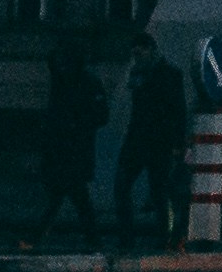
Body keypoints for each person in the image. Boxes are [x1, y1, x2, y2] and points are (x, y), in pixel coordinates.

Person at [27, 41, 107, 252]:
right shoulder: (66, 82)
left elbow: (100, 115)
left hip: (73, 148)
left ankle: (38, 236)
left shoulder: (80, 83)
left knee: (67, 196)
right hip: (65, 148)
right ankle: (91, 239)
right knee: (70, 196)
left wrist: (76, 124)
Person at [114, 33, 189, 245]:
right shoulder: (137, 73)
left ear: (151, 50)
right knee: (123, 186)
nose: (137, 57)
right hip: (138, 140)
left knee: (160, 192)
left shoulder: (169, 74)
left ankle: (165, 236)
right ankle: (128, 236)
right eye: (135, 54)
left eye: (140, 52)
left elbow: (178, 110)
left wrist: (177, 143)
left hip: (159, 142)